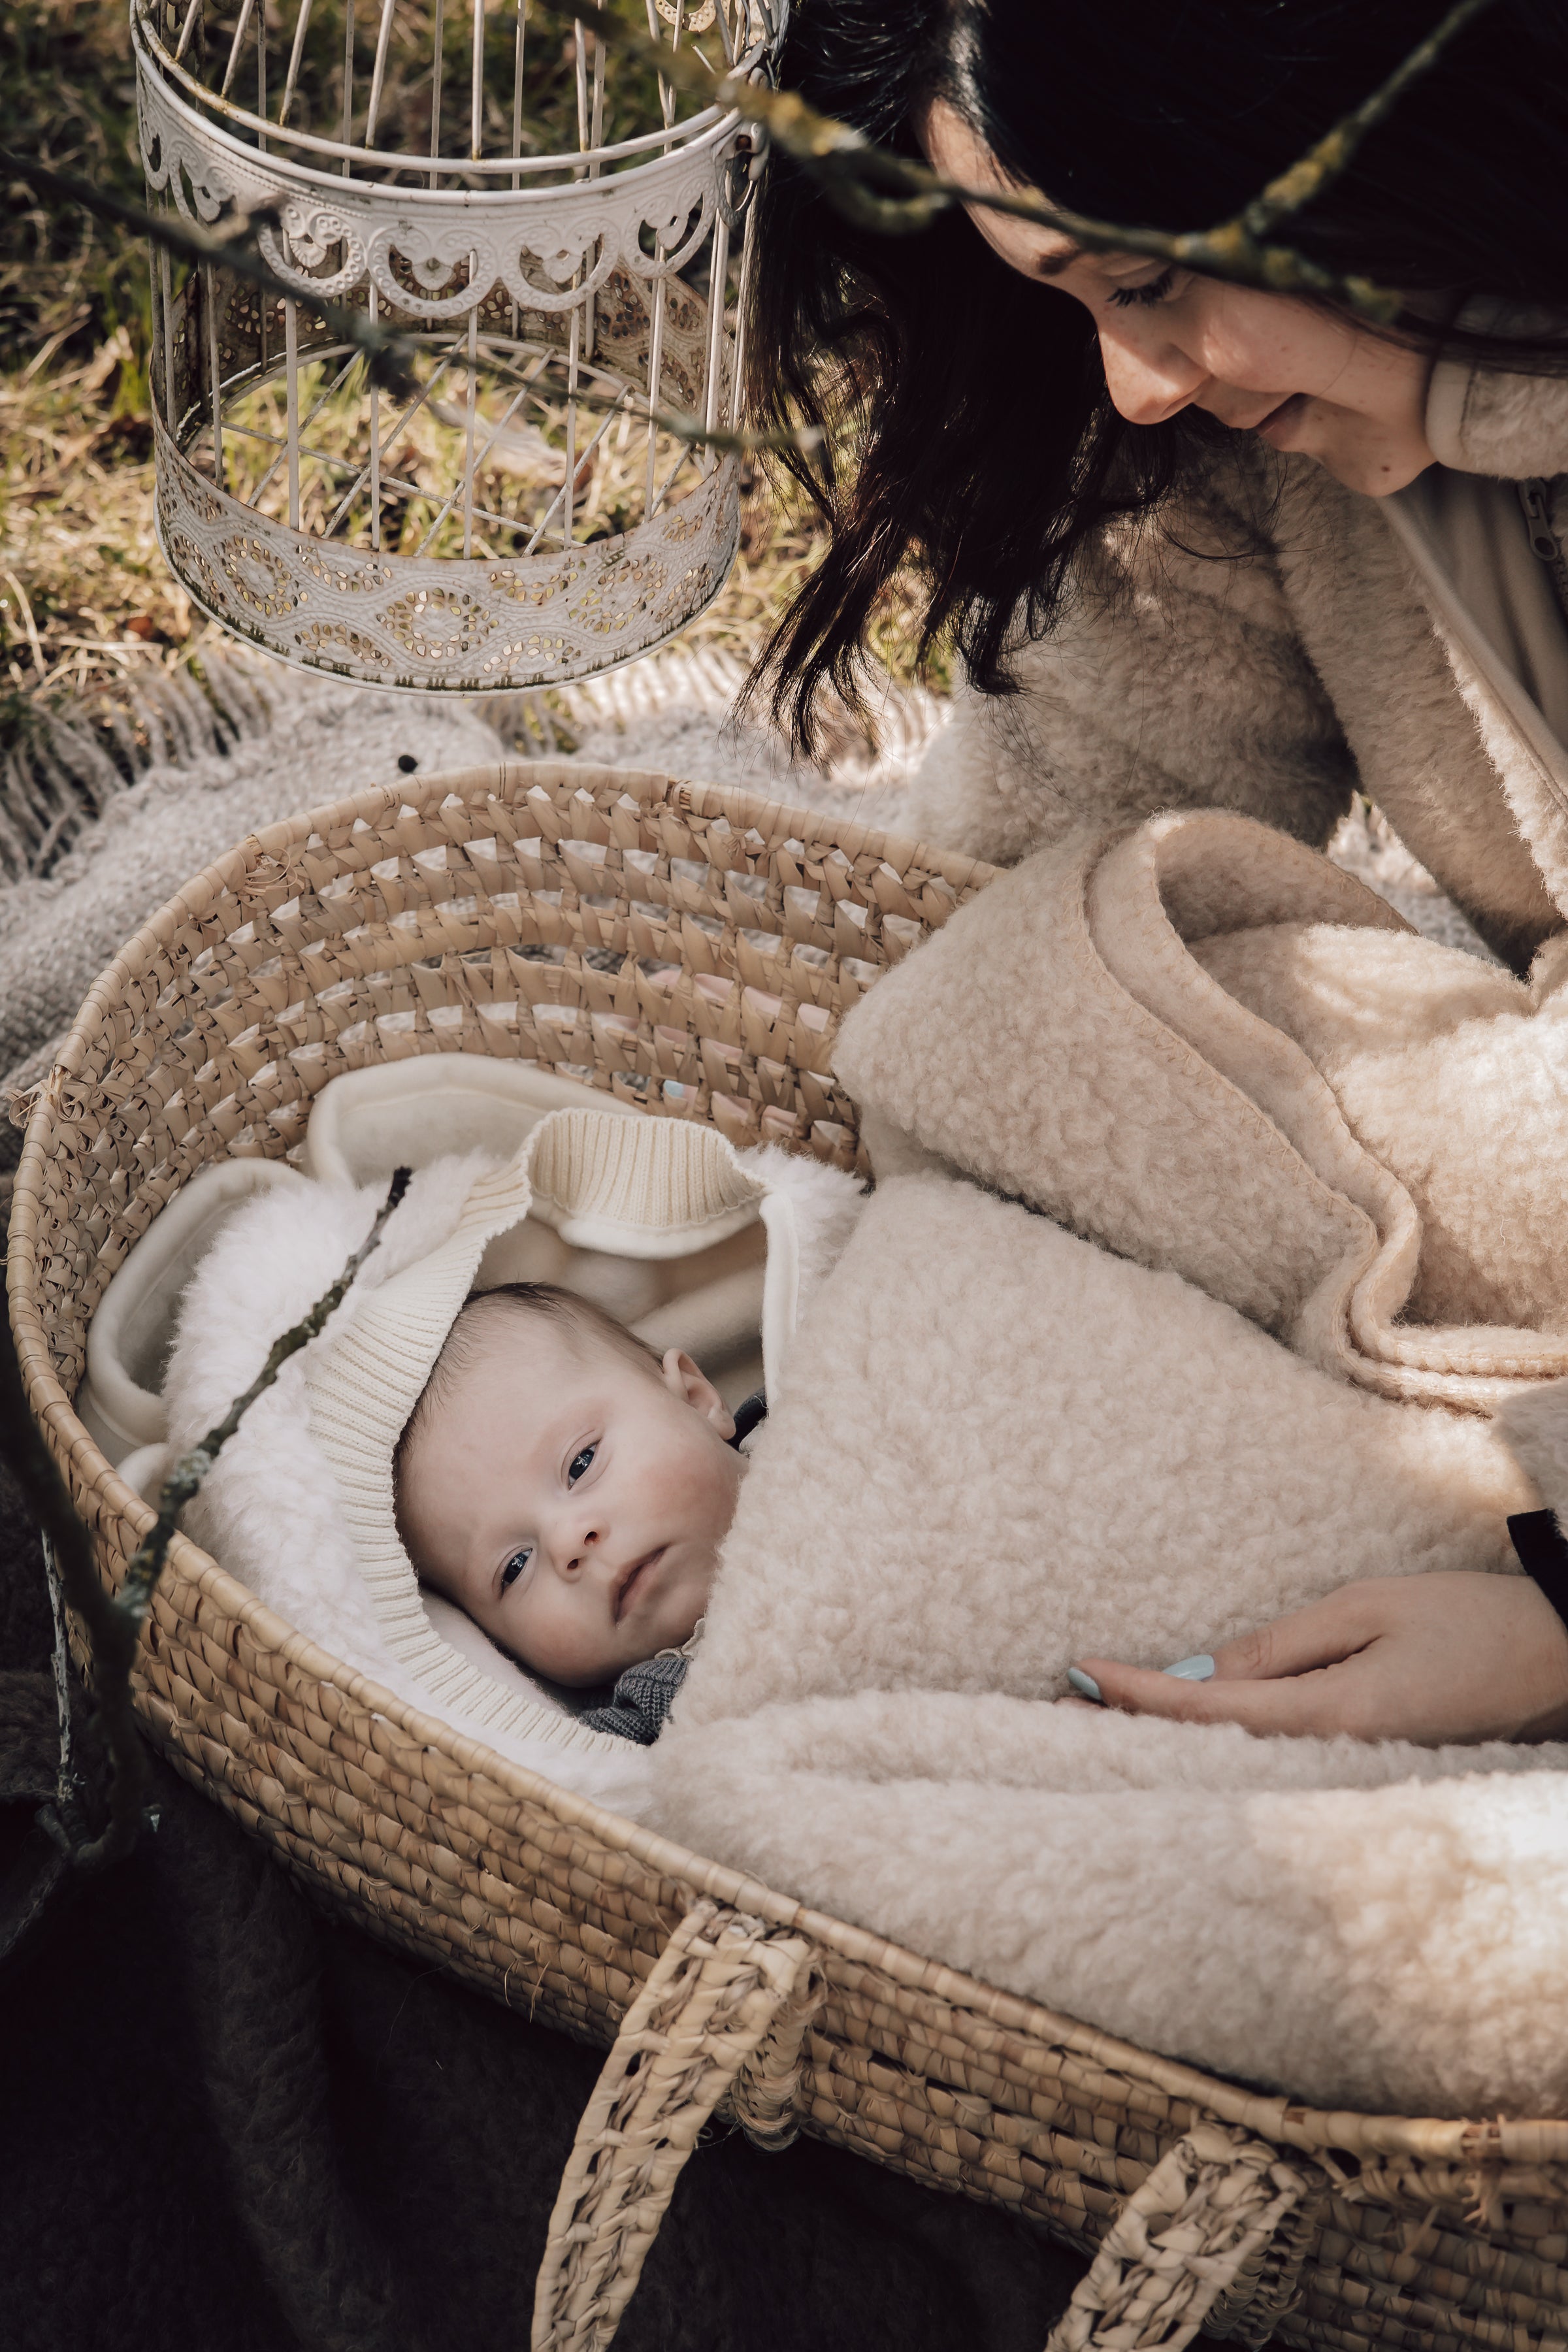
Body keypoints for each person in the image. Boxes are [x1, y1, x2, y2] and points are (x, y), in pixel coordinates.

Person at [745, 0, 1568, 1742]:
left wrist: (1557, 1619)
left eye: (1142, 283)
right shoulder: (1251, 434)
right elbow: (1025, 931)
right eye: (1077, 301)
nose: (1133, 376)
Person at [395, 1282, 755, 1741]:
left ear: (696, 1398)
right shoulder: (627, 1737)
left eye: (581, 1464)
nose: (567, 1541)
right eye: (515, 1567)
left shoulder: (822, 1423)